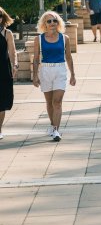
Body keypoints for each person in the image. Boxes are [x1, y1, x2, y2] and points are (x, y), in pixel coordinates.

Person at [32, 11, 76, 142]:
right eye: (49, 21)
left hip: (60, 70)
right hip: (45, 70)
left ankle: (56, 130)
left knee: (57, 101)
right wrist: (35, 75)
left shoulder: (65, 38)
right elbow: (35, 59)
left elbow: (68, 57)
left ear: (58, 22)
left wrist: (73, 74)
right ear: (44, 23)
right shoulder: (38, 39)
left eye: (55, 20)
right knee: (49, 102)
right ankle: (52, 124)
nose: (52, 23)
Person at [0, 8, 17, 140]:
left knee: (1, 101)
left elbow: (12, 52)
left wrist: (15, 65)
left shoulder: (7, 33)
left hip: (3, 71)